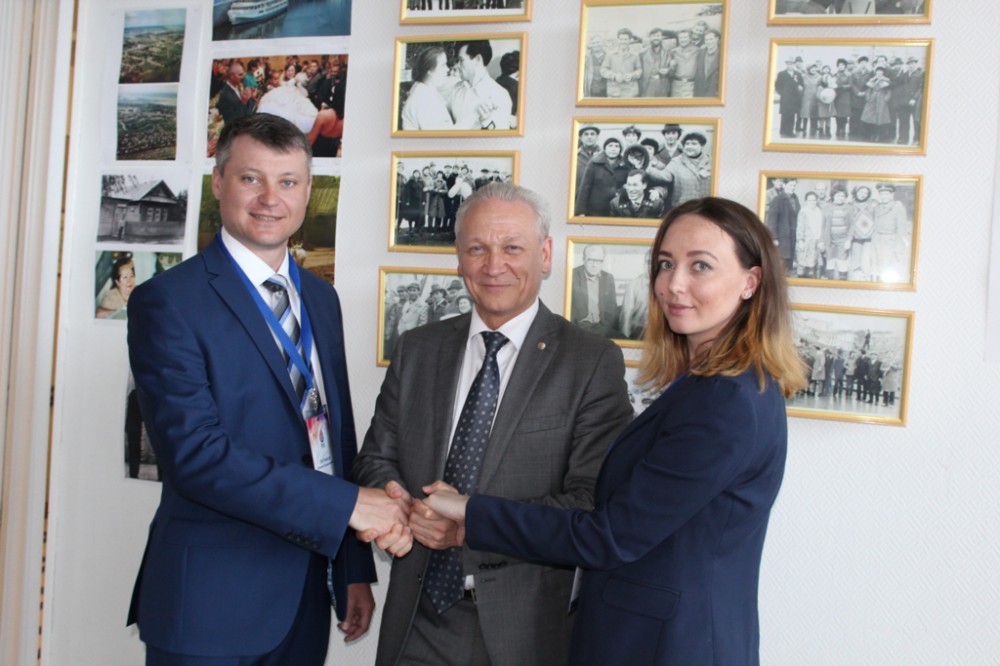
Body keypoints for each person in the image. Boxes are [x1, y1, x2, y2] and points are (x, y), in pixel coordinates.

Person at [422, 196, 808, 665]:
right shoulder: (709, 385)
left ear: (751, 282)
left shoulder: (727, 400)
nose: (674, 284)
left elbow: (609, 536)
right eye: (665, 264)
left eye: (700, 266)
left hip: (672, 646)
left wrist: (470, 511)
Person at [125, 114, 411, 665]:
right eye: (251, 178)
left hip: (305, 595)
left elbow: (330, 435)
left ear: (306, 191)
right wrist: (352, 506)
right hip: (210, 605)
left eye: (288, 182)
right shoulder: (168, 302)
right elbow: (196, 457)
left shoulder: (321, 299)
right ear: (218, 182)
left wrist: (351, 569)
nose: (270, 199)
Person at [353, 183, 633, 666]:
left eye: (512, 248)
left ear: (545, 255)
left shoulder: (589, 362)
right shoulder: (418, 348)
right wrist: (403, 509)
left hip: (525, 632)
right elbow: (376, 459)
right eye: (477, 249)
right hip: (417, 620)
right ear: (458, 258)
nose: (493, 265)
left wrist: (468, 525)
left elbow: (590, 501)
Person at [447, 40, 514, 130]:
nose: (457, 65)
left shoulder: (500, 96)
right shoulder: (456, 89)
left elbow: (500, 136)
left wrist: (487, 123)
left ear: (478, 59)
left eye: (461, 60)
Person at [647, 131, 712, 209]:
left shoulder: (711, 162)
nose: (689, 146)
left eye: (694, 144)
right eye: (687, 144)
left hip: (705, 208)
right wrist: (647, 168)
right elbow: (664, 176)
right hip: (682, 208)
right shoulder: (676, 161)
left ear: (702, 146)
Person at [571, 244, 621, 338]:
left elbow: (612, 308)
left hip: (602, 327)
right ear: (583, 259)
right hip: (579, 327)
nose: (594, 265)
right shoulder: (572, 275)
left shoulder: (608, 278)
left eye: (598, 261)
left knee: (623, 340)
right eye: (590, 260)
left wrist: (608, 327)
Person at [401, 46, 455, 131]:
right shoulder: (423, 99)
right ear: (430, 71)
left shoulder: (427, 91)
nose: (447, 69)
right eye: (443, 65)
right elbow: (440, 135)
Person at [575, 136, 628, 217]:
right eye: (610, 146)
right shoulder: (594, 163)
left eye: (616, 146)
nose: (613, 149)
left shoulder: (625, 165)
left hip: (616, 211)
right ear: (605, 148)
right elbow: (584, 188)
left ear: (620, 149)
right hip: (595, 211)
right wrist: (580, 211)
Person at [870, 183, 909, 282]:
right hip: (876, 239)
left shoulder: (898, 208)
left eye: (886, 194)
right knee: (875, 264)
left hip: (890, 241)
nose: (884, 196)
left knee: (886, 266)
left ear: (892, 194)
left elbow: (901, 229)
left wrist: (899, 246)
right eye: (881, 194)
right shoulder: (876, 207)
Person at [619, 248, 651, 340]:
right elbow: (626, 314)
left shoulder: (665, 284)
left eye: (654, 263)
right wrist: (626, 339)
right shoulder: (634, 284)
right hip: (638, 332)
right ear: (644, 263)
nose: (650, 266)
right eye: (648, 262)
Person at [601, 29, 641, 99]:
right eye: (621, 39)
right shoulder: (610, 54)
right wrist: (614, 76)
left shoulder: (635, 55)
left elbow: (639, 70)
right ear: (618, 40)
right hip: (614, 92)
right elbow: (603, 70)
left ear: (630, 40)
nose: (623, 42)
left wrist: (632, 75)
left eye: (625, 39)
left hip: (630, 92)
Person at [774, 58, 803, 138]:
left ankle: (790, 131)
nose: (790, 65)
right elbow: (777, 85)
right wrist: (782, 93)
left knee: (792, 115)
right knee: (784, 114)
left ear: (794, 64)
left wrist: (801, 87)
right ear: (786, 64)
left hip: (794, 99)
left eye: (791, 64)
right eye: (788, 64)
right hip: (785, 98)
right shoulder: (781, 74)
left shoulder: (798, 74)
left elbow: (801, 83)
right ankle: (783, 130)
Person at [639, 28, 672, 98]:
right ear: (650, 38)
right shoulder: (642, 53)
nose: (656, 38)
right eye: (653, 36)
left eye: (658, 35)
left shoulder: (668, 51)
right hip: (648, 84)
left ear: (662, 37)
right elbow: (639, 69)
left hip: (663, 84)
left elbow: (673, 67)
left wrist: (668, 70)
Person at [693, 29, 721, 98]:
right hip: (701, 94)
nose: (709, 42)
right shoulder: (701, 54)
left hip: (715, 94)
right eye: (706, 40)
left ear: (717, 39)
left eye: (711, 39)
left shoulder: (722, 55)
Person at [575, 124, 601, 190]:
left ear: (597, 137)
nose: (589, 137)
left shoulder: (604, 155)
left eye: (592, 134)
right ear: (581, 138)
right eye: (586, 134)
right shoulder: (574, 156)